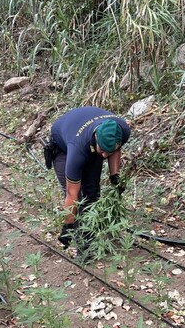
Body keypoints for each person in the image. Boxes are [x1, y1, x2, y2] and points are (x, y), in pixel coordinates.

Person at [49, 106, 131, 248]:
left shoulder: (122, 130)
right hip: (63, 146)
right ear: (96, 138)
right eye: (103, 151)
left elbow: (115, 149)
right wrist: (67, 226)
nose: (105, 156)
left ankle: (90, 238)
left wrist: (115, 176)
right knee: (78, 199)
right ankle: (81, 242)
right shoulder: (77, 149)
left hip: (87, 137)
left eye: (108, 152)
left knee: (92, 194)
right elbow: (72, 193)